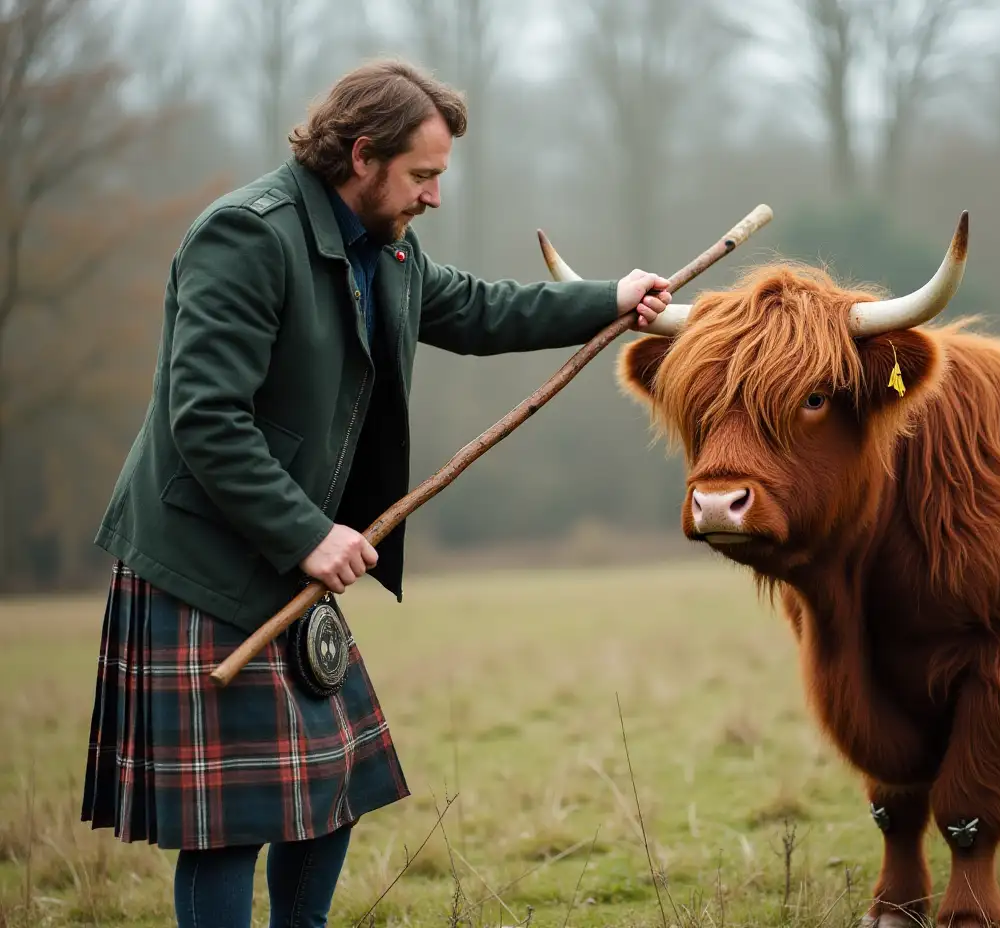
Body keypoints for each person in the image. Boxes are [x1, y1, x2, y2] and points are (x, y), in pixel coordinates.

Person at [80, 58, 671, 927]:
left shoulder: (384, 245)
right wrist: (309, 533)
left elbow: (473, 309)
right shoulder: (246, 236)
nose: (434, 197)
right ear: (362, 155)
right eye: (423, 175)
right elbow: (204, 418)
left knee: (332, 788)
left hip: (284, 552)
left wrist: (607, 300)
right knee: (225, 830)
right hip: (200, 560)